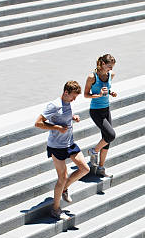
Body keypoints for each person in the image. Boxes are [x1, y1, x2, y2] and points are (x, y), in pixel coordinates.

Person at [35, 80, 90, 220]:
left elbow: (62, 116)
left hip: (69, 143)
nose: (74, 99)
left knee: (85, 169)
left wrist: (72, 117)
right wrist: (57, 128)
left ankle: (65, 188)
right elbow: (38, 123)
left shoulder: (67, 103)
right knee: (62, 177)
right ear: (66, 92)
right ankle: (55, 209)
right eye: (73, 96)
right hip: (56, 146)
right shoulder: (54, 105)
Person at [84, 54, 117, 178]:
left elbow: (106, 89)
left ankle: (101, 168)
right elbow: (86, 94)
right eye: (109, 67)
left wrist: (110, 93)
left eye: (112, 67)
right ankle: (93, 151)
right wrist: (97, 95)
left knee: (107, 140)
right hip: (96, 111)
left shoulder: (111, 75)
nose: (110, 69)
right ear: (103, 64)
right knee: (111, 135)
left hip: (106, 109)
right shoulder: (92, 77)